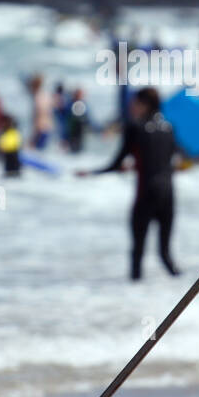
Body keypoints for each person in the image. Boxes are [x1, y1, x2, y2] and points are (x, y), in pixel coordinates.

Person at [81, 87, 180, 281]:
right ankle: (186, 289)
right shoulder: (169, 127)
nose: (130, 106)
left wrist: (92, 172)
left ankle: (135, 296)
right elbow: (167, 161)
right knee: (165, 254)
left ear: (144, 104)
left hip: (147, 192)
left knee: (137, 253)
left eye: (134, 103)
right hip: (168, 193)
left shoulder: (135, 127)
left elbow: (116, 163)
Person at [26, 74, 55, 149]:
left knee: (37, 152)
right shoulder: (46, 95)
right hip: (48, 127)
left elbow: (39, 115)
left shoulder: (37, 98)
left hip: (41, 129)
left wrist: (34, 135)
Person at [64, 88, 92, 154]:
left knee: (79, 151)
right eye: (78, 94)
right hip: (71, 132)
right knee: (73, 151)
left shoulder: (84, 105)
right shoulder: (69, 105)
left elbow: (89, 120)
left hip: (81, 132)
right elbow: (65, 120)